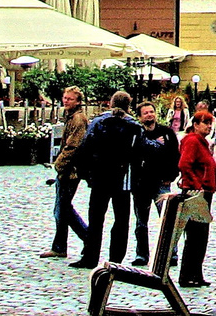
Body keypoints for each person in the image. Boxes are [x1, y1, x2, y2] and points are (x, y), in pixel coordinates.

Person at [70, 90, 141, 269]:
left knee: (95, 220)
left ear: (110, 103)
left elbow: (84, 148)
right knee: (121, 220)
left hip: (100, 177)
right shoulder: (133, 125)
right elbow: (141, 151)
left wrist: (86, 174)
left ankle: (90, 257)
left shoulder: (98, 122)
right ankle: (116, 259)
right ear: (128, 105)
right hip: (123, 179)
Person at [42, 86, 91, 259]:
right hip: (67, 170)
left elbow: (73, 147)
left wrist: (58, 164)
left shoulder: (78, 119)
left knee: (63, 209)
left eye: (70, 99)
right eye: (65, 98)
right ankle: (60, 245)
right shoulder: (71, 117)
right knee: (62, 209)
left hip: (71, 171)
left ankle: (88, 238)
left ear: (78, 101)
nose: (66, 101)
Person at [130, 101, 180, 267]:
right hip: (141, 183)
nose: (150, 115)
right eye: (146, 113)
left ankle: (171, 253)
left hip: (161, 182)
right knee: (140, 223)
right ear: (140, 117)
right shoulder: (136, 134)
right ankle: (141, 254)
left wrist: (171, 175)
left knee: (166, 220)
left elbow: (175, 155)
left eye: (151, 112)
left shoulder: (166, 133)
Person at [176, 106, 216, 287]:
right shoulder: (192, 141)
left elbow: (202, 165)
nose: (209, 127)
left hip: (204, 192)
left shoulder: (202, 141)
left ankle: (196, 273)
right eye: (205, 123)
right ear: (195, 125)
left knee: (201, 237)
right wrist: (197, 185)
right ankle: (187, 275)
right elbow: (184, 164)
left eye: (210, 123)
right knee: (195, 236)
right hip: (196, 194)